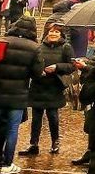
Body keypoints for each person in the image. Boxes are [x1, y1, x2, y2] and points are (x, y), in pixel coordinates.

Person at [0, 17, 39, 174]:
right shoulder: (34, 48)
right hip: (18, 96)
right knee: (12, 130)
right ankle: (7, 164)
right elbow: (37, 73)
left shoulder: (1, 42)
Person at [21, 20, 76, 156]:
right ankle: (33, 144)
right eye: (51, 31)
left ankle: (55, 142)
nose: (53, 34)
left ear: (61, 34)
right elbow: (32, 64)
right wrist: (38, 71)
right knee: (36, 118)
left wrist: (57, 67)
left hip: (54, 87)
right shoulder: (39, 47)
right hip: (38, 86)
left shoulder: (66, 48)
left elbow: (72, 66)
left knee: (53, 116)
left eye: (56, 32)